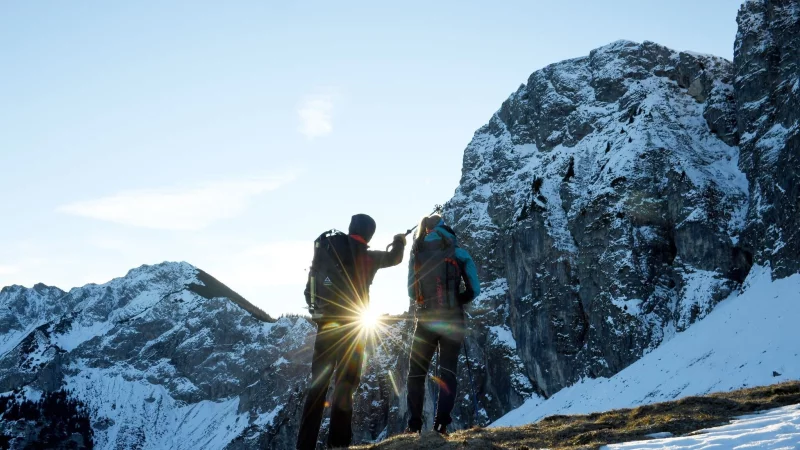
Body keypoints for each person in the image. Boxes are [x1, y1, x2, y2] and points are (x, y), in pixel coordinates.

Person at [297, 213, 406, 450]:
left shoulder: (327, 251)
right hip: (354, 328)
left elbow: (309, 290)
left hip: (326, 327)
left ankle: (304, 445)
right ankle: (338, 444)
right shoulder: (368, 257)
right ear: (369, 235)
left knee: (317, 387)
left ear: (350, 228)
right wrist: (400, 240)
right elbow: (395, 258)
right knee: (345, 385)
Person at [405, 214, 480, 436]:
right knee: (447, 373)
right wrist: (459, 300)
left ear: (425, 228)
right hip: (452, 320)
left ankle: (414, 426)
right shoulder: (457, 251)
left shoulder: (417, 252)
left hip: (426, 319)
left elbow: (411, 291)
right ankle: (441, 425)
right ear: (444, 227)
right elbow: (474, 288)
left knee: (416, 374)